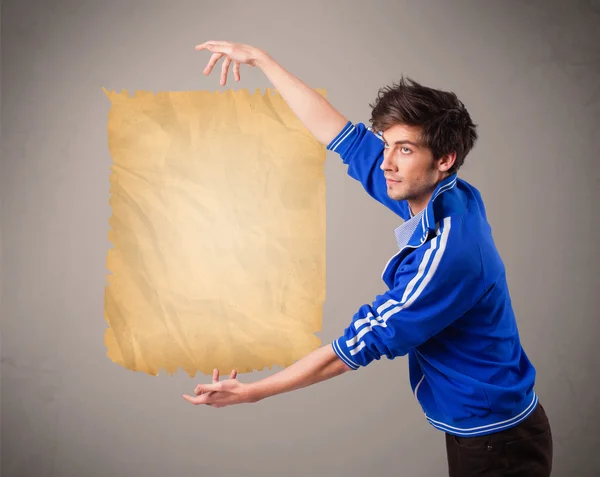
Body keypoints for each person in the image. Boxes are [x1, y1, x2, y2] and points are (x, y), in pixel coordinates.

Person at [182, 40, 553, 476]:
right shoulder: (448, 197)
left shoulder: (446, 259)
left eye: (406, 149)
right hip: (484, 427)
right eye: (387, 144)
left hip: (498, 442)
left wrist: (254, 392)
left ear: (445, 159)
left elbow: (351, 348)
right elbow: (340, 134)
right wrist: (262, 60)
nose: (386, 163)